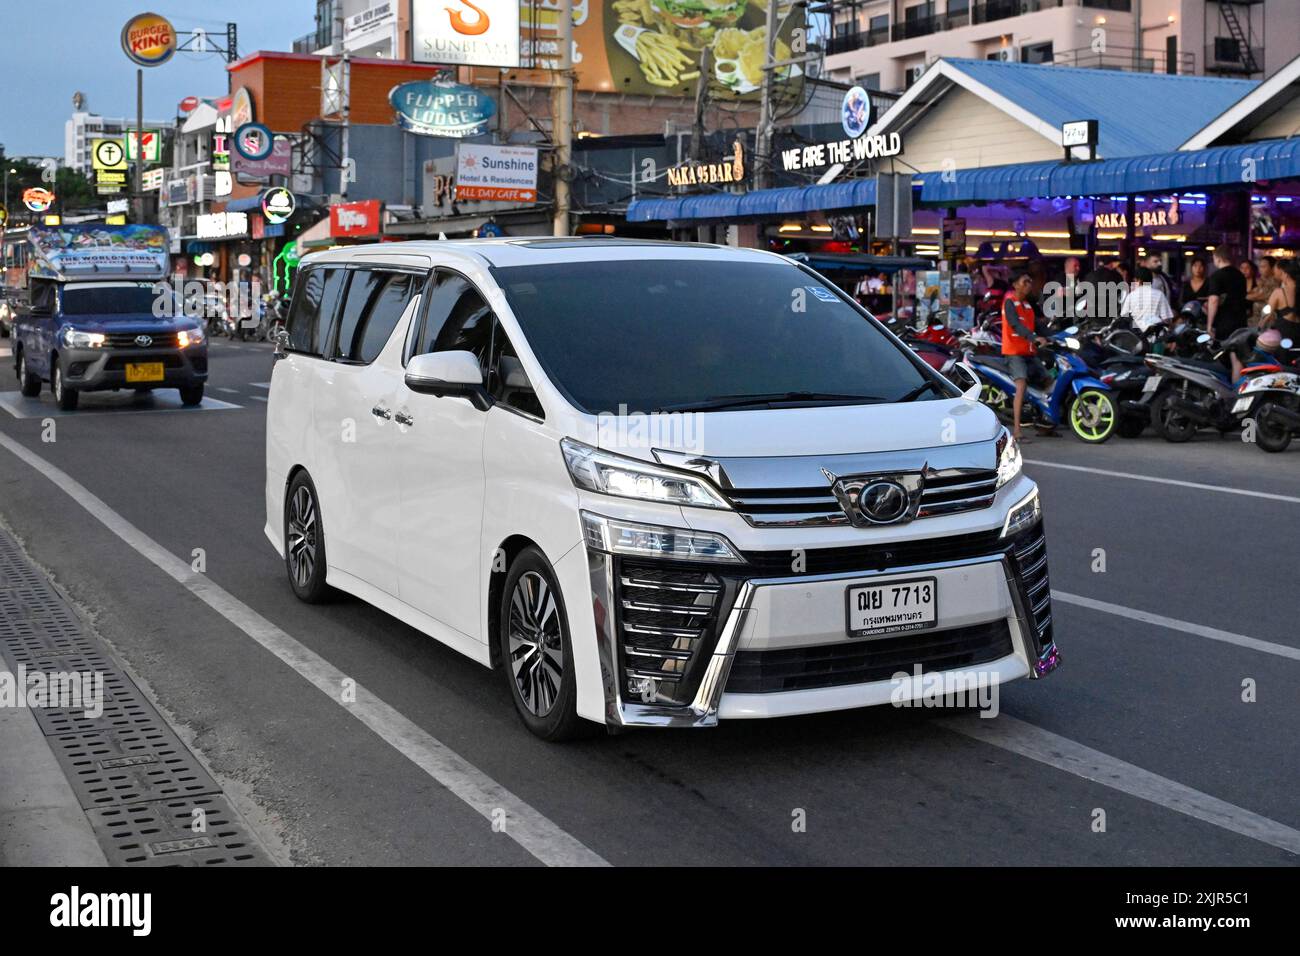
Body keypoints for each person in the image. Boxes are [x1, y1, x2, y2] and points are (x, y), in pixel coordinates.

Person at [1002, 269, 1048, 440]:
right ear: (1016, 285)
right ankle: (1017, 431)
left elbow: (1039, 326)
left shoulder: (1028, 305)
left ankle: (1045, 425)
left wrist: (1057, 336)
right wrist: (1034, 338)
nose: (1029, 285)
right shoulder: (1010, 303)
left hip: (1029, 351)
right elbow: (1015, 325)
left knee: (1048, 380)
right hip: (1014, 352)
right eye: (1025, 282)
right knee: (1021, 385)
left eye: (1030, 282)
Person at [1203, 247, 1249, 341]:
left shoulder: (1216, 276)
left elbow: (1213, 300)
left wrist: (1209, 325)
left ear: (1218, 258)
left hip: (1224, 322)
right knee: (1238, 346)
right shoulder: (1240, 275)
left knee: (1223, 347)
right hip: (1241, 320)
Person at [1120, 266, 1174, 333]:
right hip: (1155, 334)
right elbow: (1167, 319)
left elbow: (1124, 317)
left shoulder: (1131, 296)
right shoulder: (1159, 295)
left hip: (1136, 335)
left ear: (1138, 280)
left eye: (1134, 280)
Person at [1264, 258, 1300, 342]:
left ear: (1284, 273)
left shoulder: (1278, 292)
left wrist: (1259, 328)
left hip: (1284, 332)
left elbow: (1267, 315)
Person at [1247, 255, 1280, 326]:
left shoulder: (1274, 281)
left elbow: (1258, 296)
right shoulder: (1262, 280)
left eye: (1263, 267)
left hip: (1268, 319)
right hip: (1258, 317)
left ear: (1272, 268)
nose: (1260, 269)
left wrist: (1241, 295)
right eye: (1260, 266)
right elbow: (1254, 291)